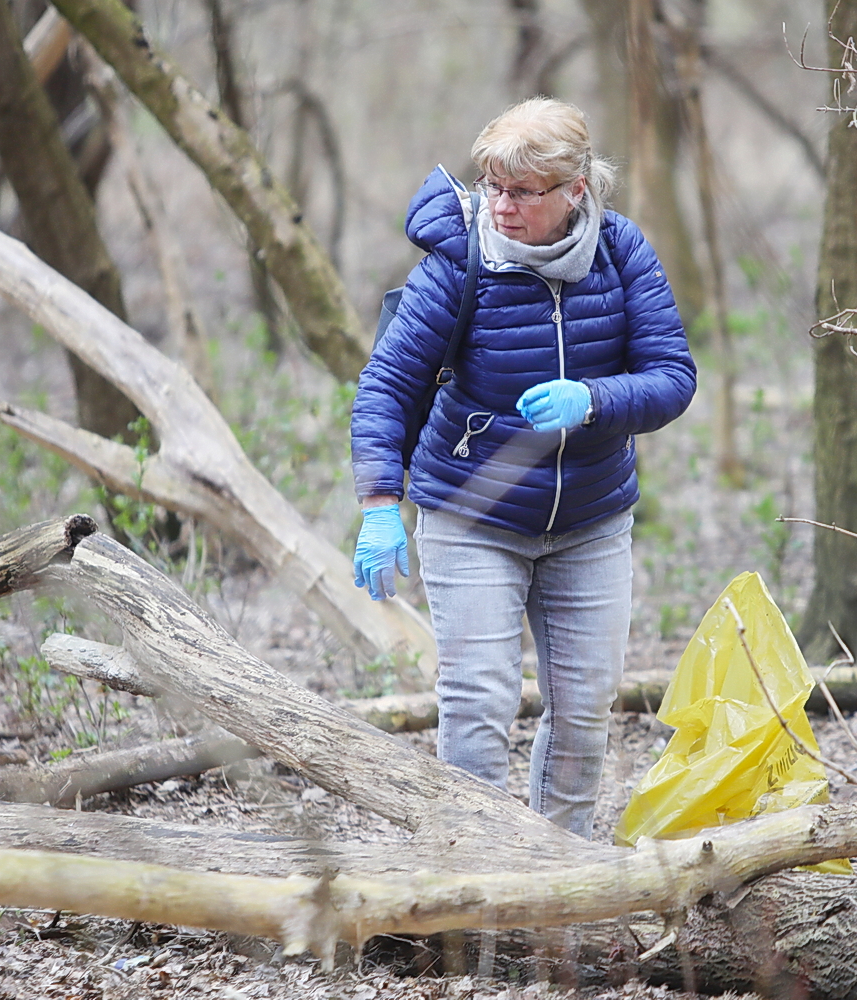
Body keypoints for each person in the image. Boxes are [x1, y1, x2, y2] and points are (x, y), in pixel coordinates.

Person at [350, 97, 695, 838]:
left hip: (591, 519)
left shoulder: (621, 252)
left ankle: (558, 881)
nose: (500, 206)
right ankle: (474, 869)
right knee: (479, 702)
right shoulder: (459, 261)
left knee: (583, 713)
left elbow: (673, 376)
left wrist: (593, 400)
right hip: (472, 513)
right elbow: (388, 383)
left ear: (575, 190)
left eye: (522, 192)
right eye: (492, 186)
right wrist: (380, 503)